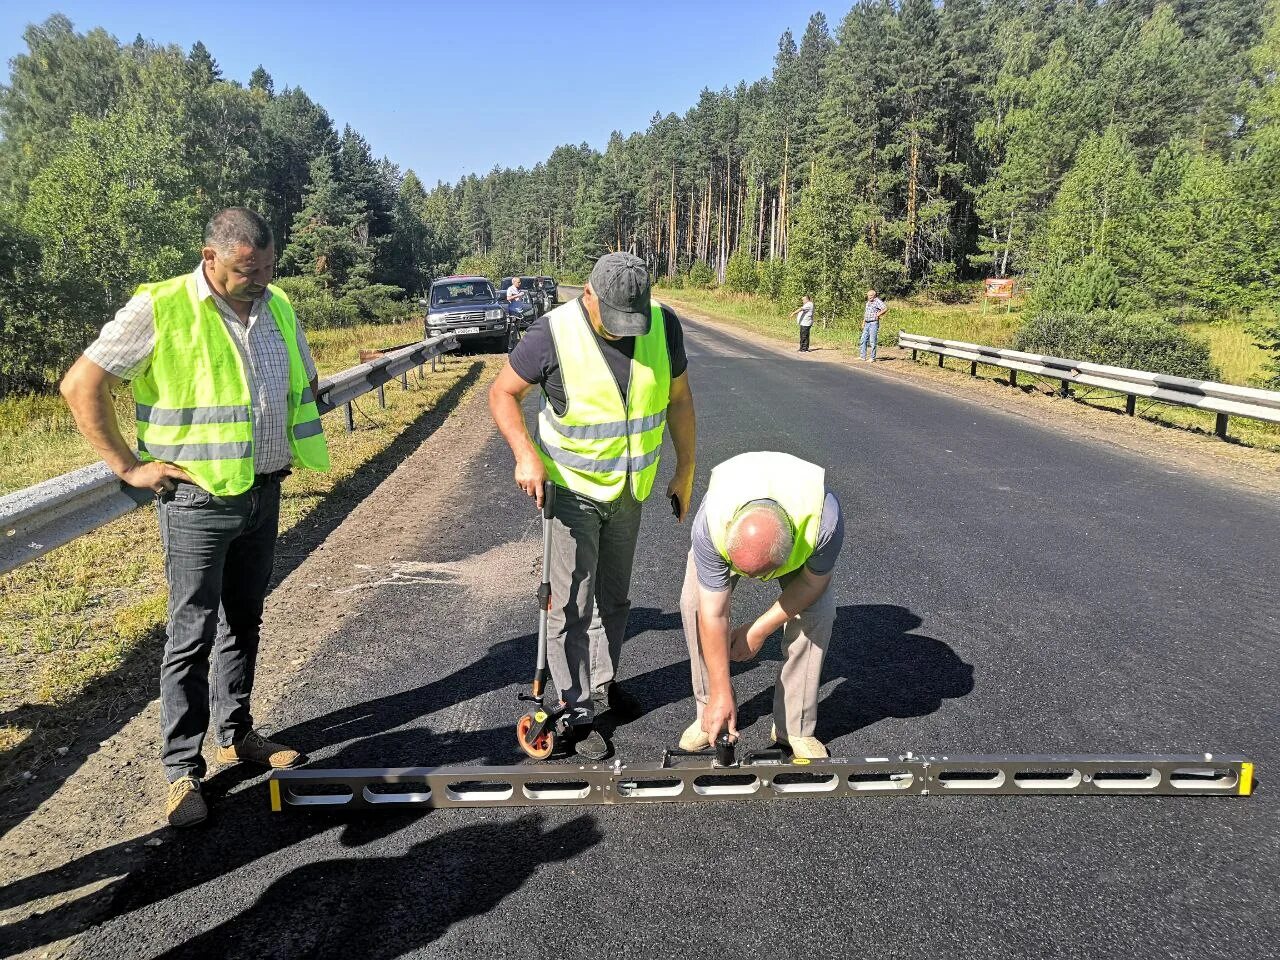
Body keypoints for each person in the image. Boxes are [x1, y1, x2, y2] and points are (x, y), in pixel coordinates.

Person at [59, 208, 328, 828]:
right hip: (198, 502)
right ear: (210, 257)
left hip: (263, 491)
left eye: (266, 268)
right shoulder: (161, 307)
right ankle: (182, 771)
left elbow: (301, 384)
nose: (259, 280)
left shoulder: (279, 306)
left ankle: (236, 735)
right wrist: (129, 468)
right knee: (192, 634)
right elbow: (81, 385)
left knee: (245, 621)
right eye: (245, 270)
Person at [489, 253, 697, 760]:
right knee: (572, 602)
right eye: (616, 320)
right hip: (572, 491)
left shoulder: (663, 324)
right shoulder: (551, 334)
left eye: (634, 320)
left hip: (630, 491)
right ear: (588, 295)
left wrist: (686, 469)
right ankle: (574, 704)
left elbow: (681, 399)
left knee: (615, 599)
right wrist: (525, 456)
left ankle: (604, 681)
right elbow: (502, 393)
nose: (628, 331)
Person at [678, 451, 842, 760]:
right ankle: (710, 711)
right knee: (694, 604)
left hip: (800, 532)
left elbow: (812, 583)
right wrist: (721, 689)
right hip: (729, 524)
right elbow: (713, 613)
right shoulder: (710, 526)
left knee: (818, 614)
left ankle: (795, 728)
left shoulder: (824, 522)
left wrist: (757, 630)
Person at [860, 289, 887, 362]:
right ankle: (862, 356)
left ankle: (872, 358)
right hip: (867, 323)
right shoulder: (868, 302)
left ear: (875, 295)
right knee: (863, 339)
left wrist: (879, 314)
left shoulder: (877, 301)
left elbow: (885, 308)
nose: (869, 297)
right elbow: (866, 313)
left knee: (872, 341)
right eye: (868, 295)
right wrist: (863, 322)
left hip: (873, 323)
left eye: (871, 295)